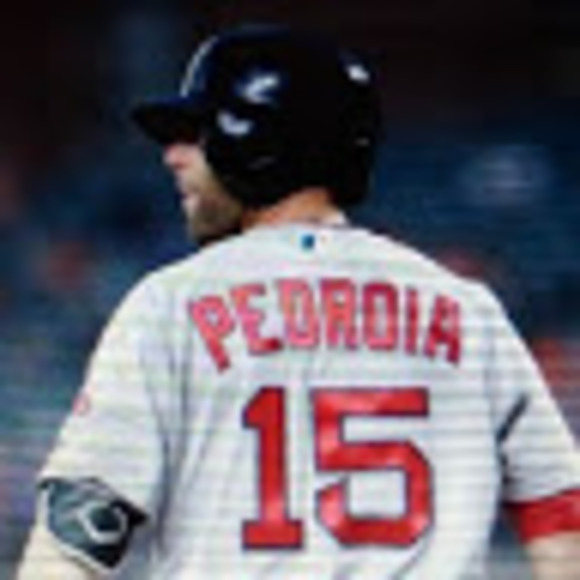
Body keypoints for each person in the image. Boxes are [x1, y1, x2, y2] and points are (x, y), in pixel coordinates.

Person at [17, 24, 580, 580]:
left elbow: (78, 533)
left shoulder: (169, 306)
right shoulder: (467, 311)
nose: (173, 156)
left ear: (255, 144)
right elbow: (559, 516)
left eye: (197, 135)